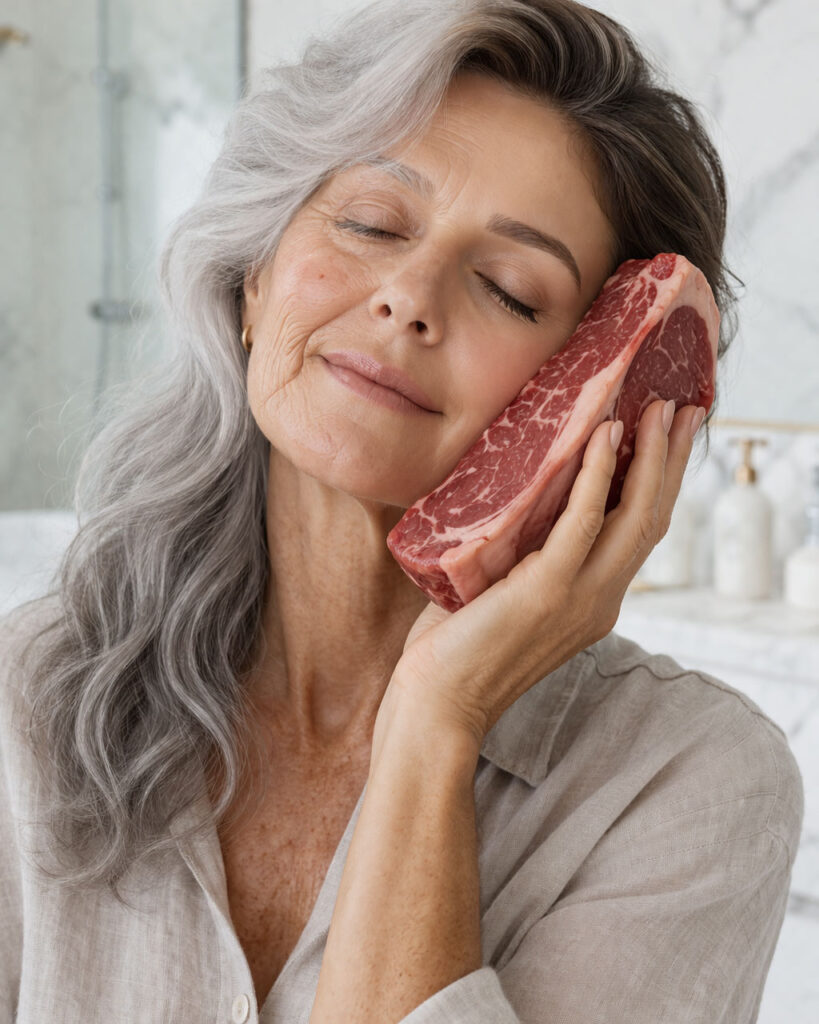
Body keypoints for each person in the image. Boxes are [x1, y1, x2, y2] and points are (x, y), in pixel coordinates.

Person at [0, 1, 803, 1021]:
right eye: (372, 223)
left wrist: (435, 722)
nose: (411, 295)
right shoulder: (28, 697)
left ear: (602, 380)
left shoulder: (683, 784)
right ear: (256, 276)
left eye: (511, 289)